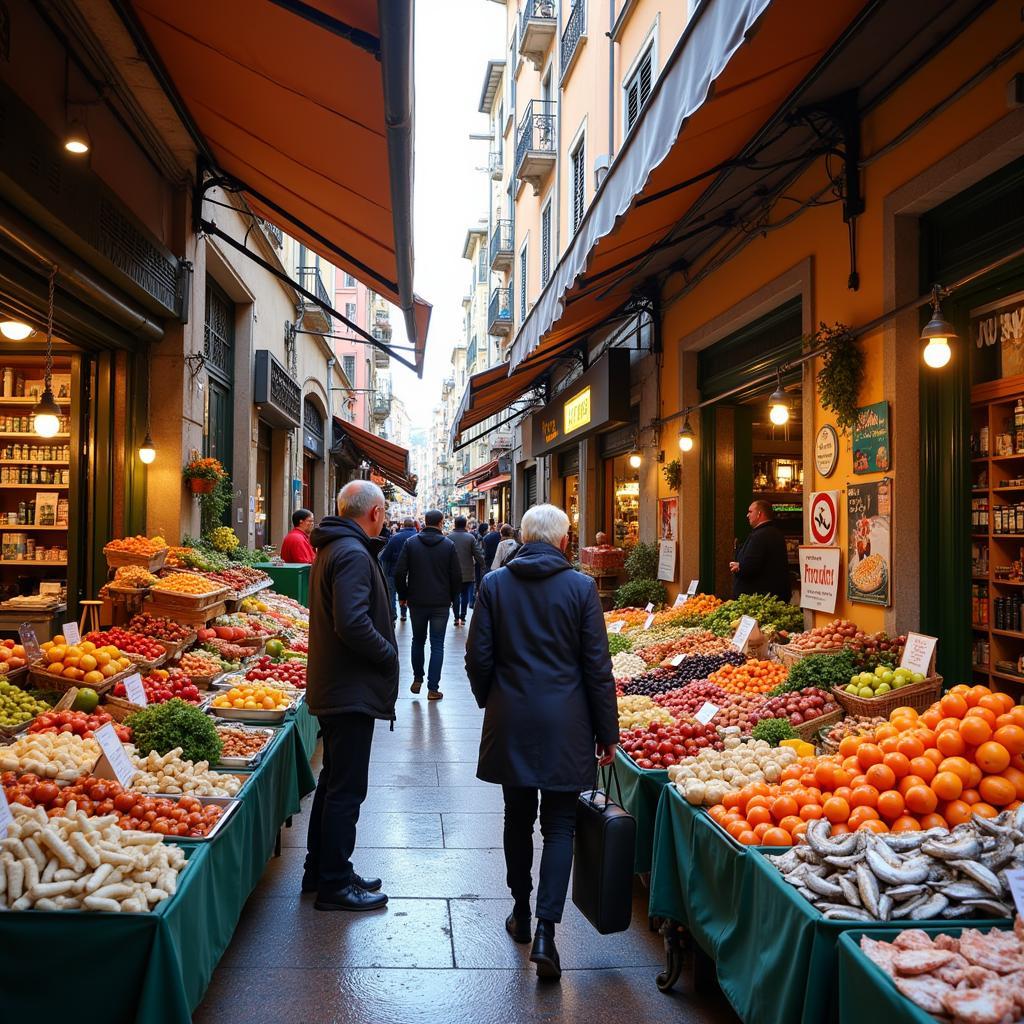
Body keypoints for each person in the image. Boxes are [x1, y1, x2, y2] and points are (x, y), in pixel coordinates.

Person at [465, 504, 618, 981]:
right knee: (560, 825)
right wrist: (607, 732)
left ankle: (521, 911)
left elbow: (478, 657)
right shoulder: (581, 588)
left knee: (517, 817)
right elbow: (597, 668)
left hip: (512, 719)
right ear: (564, 541)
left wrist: (491, 699)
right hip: (566, 723)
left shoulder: (495, 586)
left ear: (524, 539)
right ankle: (549, 931)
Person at [304, 480, 397, 913]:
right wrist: (388, 655)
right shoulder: (354, 553)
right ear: (374, 513)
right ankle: (335, 885)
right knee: (346, 789)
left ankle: (321, 869)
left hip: (335, 684)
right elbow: (354, 623)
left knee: (332, 782)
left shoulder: (334, 547)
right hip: (349, 688)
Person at [393, 509, 461, 700]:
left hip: (417, 601)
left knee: (418, 640)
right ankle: (433, 688)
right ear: (440, 523)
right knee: (437, 644)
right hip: (440, 602)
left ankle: (417, 678)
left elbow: (399, 572)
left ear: (424, 522)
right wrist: (452, 597)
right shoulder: (448, 545)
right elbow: (456, 576)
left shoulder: (411, 543)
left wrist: (403, 595)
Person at [729, 499, 792, 602]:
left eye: (750, 512)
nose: (747, 515)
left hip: (759, 601)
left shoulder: (760, 536)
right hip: (772, 598)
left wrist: (739, 567)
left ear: (759, 514)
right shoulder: (774, 533)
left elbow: (750, 566)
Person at [379, 517, 417, 622]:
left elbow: (385, 556)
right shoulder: (417, 537)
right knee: (405, 592)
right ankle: (404, 614)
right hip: (412, 573)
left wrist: (385, 573)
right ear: (413, 526)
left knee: (392, 594)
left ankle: (393, 615)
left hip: (393, 571)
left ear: (403, 525)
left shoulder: (395, 538)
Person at [448, 515, 484, 625]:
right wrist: (482, 564)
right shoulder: (470, 538)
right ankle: (463, 617)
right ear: (465, 525)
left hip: (452, 573)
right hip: (468, 572)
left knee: (455, 595)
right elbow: (478, 554)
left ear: (455, 524)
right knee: (465, 595)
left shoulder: (449, 537)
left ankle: (456, 617)